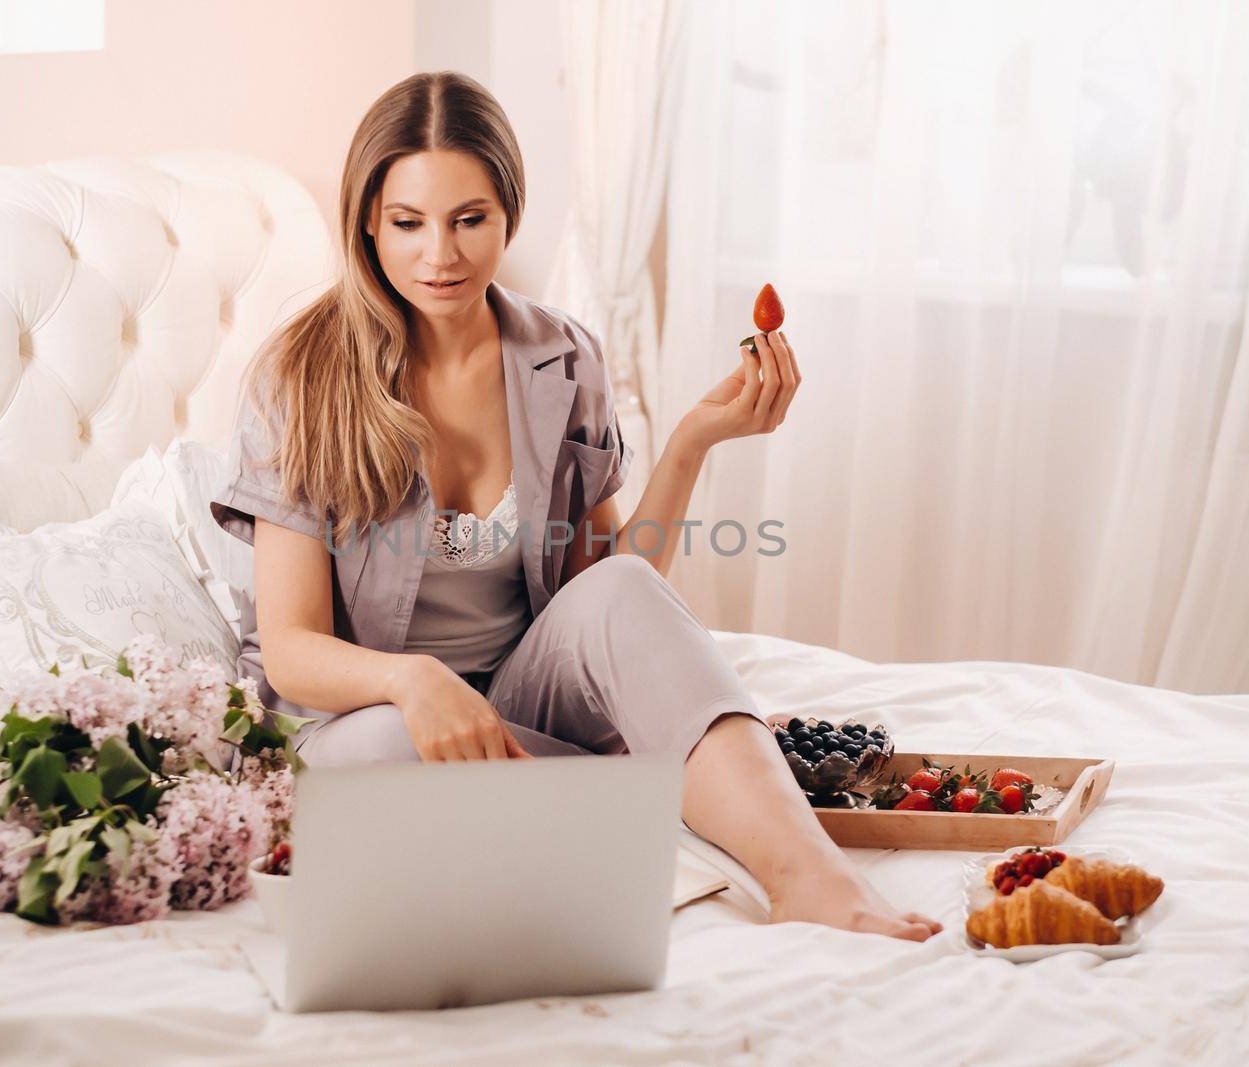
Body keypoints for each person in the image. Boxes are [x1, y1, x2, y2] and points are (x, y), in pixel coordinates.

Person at [211, 70, 942, 942]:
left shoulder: (563, 355)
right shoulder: (301, 375)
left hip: (526, 697)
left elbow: (607, 598)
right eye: (408, 223)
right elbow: (291, 649)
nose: (439, 254)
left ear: (509, 213)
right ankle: (681, 784)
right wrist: (417, 681)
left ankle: (809, 875)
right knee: (384, 759)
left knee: (629, 592)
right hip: (363, 719)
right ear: (368, 220)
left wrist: (690, 444)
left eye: (468, 219)